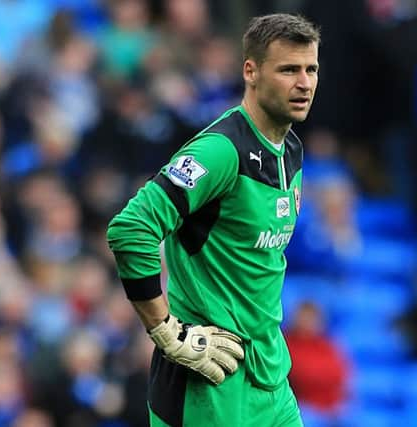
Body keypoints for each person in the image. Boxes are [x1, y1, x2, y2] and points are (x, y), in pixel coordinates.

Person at [107, 13, 320, 427]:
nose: (304, 83)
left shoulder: (289, 147)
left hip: (271, 374)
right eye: (288, 70)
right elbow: (131, 228)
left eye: (310, 69)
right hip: (211, 380)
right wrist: (166, 331)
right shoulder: (220, 151)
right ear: (251, 71)